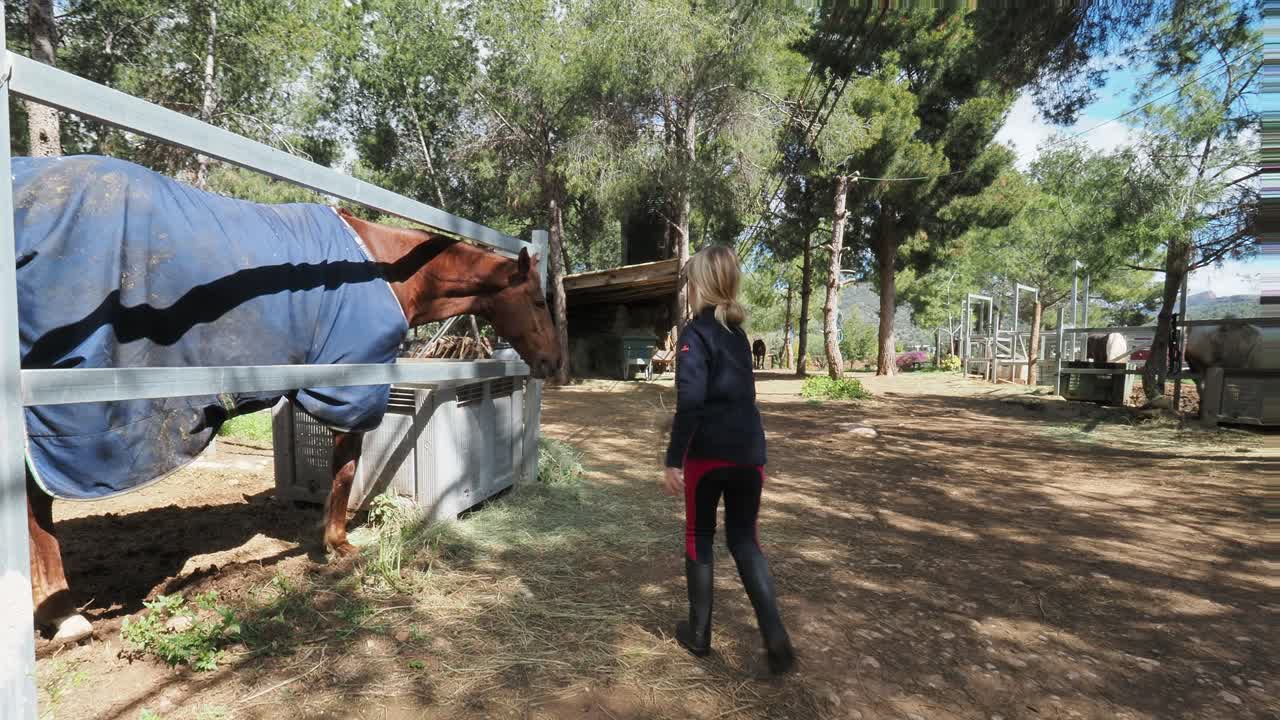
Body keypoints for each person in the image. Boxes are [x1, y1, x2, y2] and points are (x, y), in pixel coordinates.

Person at [661, 245, 795, 675]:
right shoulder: (737, 334)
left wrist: (672, 459)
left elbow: (691, 404)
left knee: (699, 534)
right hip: (749, 454)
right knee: (744, 539)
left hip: (709, 456)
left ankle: (699, 636)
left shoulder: (696, 332)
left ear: (699, 284)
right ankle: (775, 636)